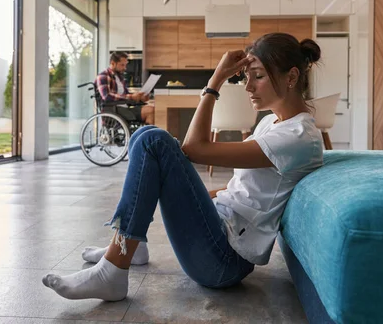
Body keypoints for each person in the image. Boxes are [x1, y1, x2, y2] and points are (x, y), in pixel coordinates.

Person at [42, 33, 324, 301]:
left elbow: (194, 148)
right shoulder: (271, 123)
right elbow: (244, 187)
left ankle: (112, 271)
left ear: (292, 77)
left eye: (258, 76)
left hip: (224, 260)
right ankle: (131, 246)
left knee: (154, 140)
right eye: (247, 77)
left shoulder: (297, 136)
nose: (248, 86)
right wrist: (193, 196)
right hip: (217, 232)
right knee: (143, 136)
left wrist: (216, 81)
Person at [96, 51, 154, 124]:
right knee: (150, 111)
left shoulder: (119, 77)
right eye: (122, 65)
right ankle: (146, 134)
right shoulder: (103, 76)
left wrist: (139, 98)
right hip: (115, 110)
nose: (125, 68)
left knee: (152, 109)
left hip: (124, 109)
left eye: (125, 65)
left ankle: (146, 134)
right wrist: (131, 97)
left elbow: (126, 95)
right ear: (113, 63)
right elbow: (106, 96)